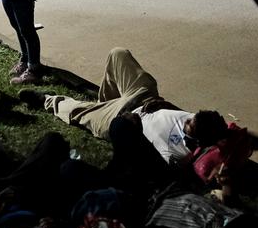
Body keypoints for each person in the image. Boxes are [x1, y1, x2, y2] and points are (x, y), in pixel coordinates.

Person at [24, 48, 229, 158]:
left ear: (200, 141)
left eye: (189, 126)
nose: (186, 121)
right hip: (141, 97)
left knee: (79, 112)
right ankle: (104, 103)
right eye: (190, 119)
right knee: (118, 54)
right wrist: (162, 104)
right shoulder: (201, 121)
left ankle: (47, 100)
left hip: (123, 120)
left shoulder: (180, 156)